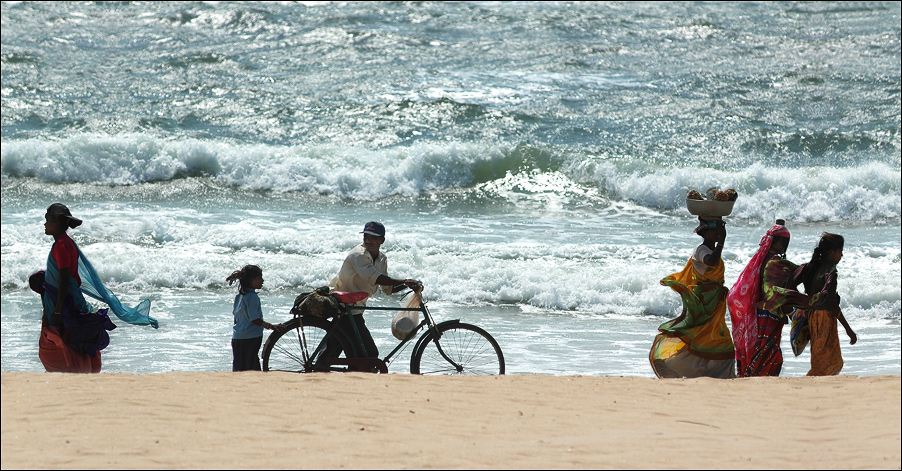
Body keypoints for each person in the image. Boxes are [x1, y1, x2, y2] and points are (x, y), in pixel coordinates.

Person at [37, 203, 157, 373]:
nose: (45, 224)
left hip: (64, 301)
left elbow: (64, 279)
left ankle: (73, 370)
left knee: (63, 336)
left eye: (47, 219)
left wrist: (57, 309)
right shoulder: (65, 243)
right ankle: (80, 369)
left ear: (56, 221)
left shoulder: (62, 246)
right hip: (67, 298)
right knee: (69, 337)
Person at [649, 217, 735, 379]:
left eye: (719, 230)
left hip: (714, 303)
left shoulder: (711, 249)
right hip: (705, 305)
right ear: (705, 233)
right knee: (704, 338)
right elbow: (711, 261)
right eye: (714, 230)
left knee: (714, 339)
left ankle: (720, 374)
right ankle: (676, 365)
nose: (717, 233)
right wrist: (722, 241)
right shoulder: (701, 250)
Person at [728, 219, 811, 377]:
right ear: (777, 242)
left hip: (758, 315)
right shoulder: (775, 263)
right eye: (784, 242)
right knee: (769, 353)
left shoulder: (760, 261)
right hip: (769, 315)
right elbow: (796, 275)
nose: (786, 246)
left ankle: (751, 375)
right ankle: (758, 378)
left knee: (761, 350)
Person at [328, 221, 422, 358]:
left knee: (339, 351)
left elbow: (387, 288)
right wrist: (405, 281)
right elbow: (376, 278)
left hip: (355, 310)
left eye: (373, 237)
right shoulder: (359, 255)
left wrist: (407, 285)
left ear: (382, 240)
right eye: (366, 236)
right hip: (345, 308)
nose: (368, 240)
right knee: (367, 355)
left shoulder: (382, 259)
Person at [791, 233, 857, 376]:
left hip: (813, 316)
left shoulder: (813, 267)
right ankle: (810, 387)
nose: (842, 255)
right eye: (840, 251)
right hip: (825, 319)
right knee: (829, 363)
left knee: (820, 358)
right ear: (831, 252)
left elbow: (792, 284)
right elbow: (832, 304)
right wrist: (849, 330)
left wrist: (801, 306)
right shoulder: (830, 272)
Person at [227, 265, 283, 372]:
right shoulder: (252, 297)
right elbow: (255, 319)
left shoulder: (240, 296)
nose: (262, 280)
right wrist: (271, 327)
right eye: (260, 278)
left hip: (237, 337)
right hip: (250, 338)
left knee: (240, 367)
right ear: (252, 280)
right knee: (252, 367)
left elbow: (236, 318)